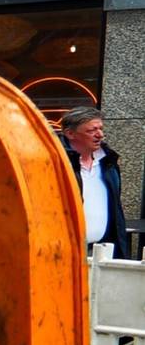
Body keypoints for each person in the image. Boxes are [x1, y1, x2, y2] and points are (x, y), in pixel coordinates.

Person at [60, 105, 129, 258]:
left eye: (100, 129)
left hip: (102, 252)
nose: (100, 135)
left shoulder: (108, 163)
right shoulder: (58, 164)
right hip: (66, 254)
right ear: (70, 133)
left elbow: (116, 210)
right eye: (91, 130)